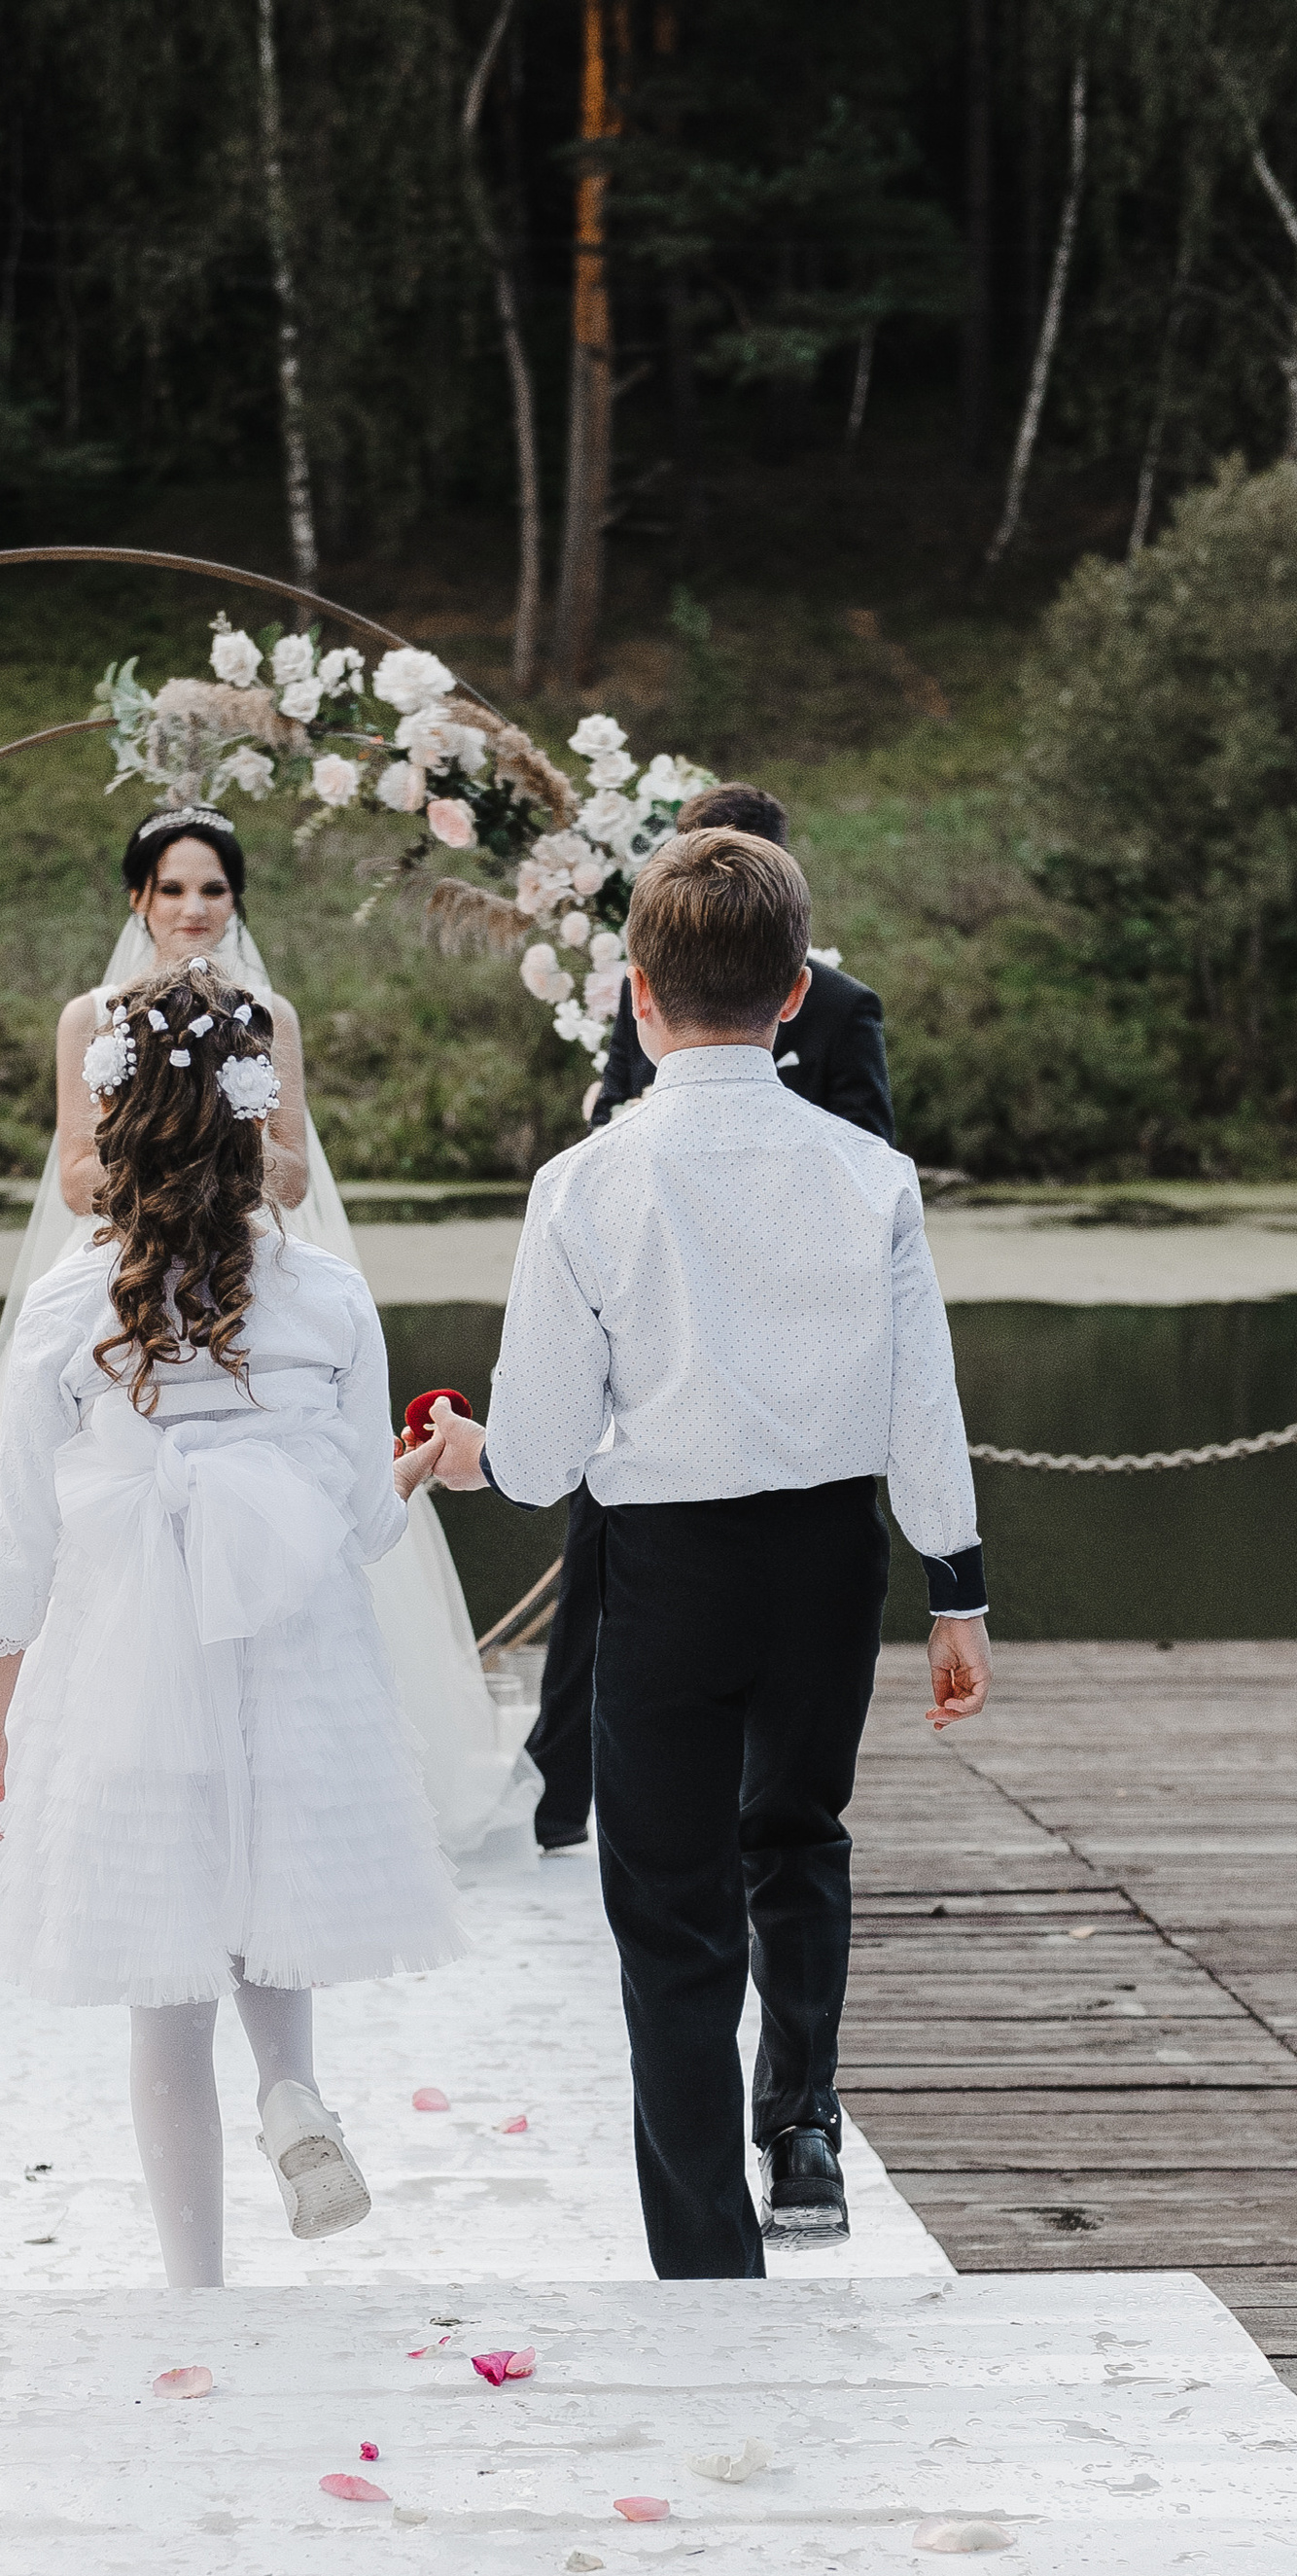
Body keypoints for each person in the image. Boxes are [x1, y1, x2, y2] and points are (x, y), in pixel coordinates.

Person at [427, 828, 991, 2277]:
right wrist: (958, 1590)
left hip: (665, 1572)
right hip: (826, 1561)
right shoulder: (872, 1176)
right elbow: (922, 1401)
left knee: (672, 1910)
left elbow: (545, 1459)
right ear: (798, 991)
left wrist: (469, 1447)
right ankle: (800, 2116)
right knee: (798, 1836)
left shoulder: (586, 1185)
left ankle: (708, 2257)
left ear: (637, 996)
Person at [0, 803, 535, 1883]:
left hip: (244, 1277)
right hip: (126, 1290)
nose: (194, 907)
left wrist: (225, 1157)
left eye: (213, 889)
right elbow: (70, 1171)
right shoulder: (88, 1018)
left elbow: (292, 1163)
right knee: (60, 1525)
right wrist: (166, 1158)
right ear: (139, 900)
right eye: (174, 888)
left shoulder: (268, 1016)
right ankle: (35, 1765)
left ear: (234, 901)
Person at [0, 954, 464, 2288]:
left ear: (110, 1116)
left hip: (129, 1666)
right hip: (295, 1662)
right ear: (263, 1120)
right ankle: (292, 2084)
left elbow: (20, 1549)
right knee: (269, 1905)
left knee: (165, 1988)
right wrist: (418, 1471)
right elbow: (358, 1522)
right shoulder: (332, 1298)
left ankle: (198, 2289)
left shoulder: (69, 1303)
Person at [525, 779, 896, 1856]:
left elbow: (869, 1144)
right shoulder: (639, 999)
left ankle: (742, 1798)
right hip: (655, 1319)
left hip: (780, 1333)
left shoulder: (839, 1007)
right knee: (598, 1551)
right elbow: (611, 1098)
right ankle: (562, 1790)